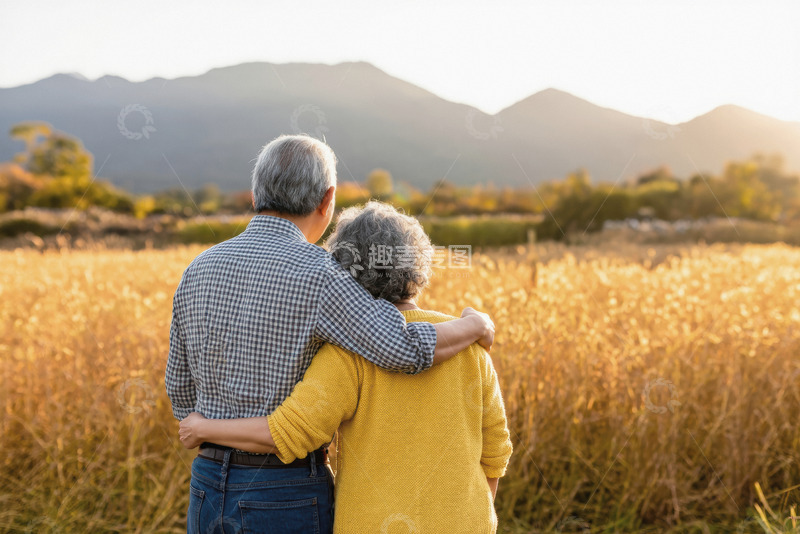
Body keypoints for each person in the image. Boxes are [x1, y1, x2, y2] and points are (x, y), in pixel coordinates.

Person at [165, 135, 495, 534]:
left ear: (255, 194)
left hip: (206, 482)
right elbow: (403, 346)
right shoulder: (323, 274)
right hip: (283, 490)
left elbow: (179, 388)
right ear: (327, 200)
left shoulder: (198, 268)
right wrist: (475, 325)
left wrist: (209, 430)